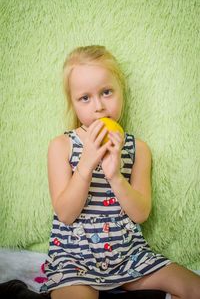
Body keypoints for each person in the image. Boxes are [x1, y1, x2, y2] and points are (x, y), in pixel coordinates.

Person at [41, 45, 200, 299]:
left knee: (194, 288)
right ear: (72, 102)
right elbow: (66, 214)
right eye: (85, 98)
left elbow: (140, 213)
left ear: (121, 91)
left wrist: (115, 176)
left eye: (106, 92)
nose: (99, 107)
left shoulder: (138, 149)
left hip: (130, 257)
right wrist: (85, 165)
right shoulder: (61, 146)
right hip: (74, 261)